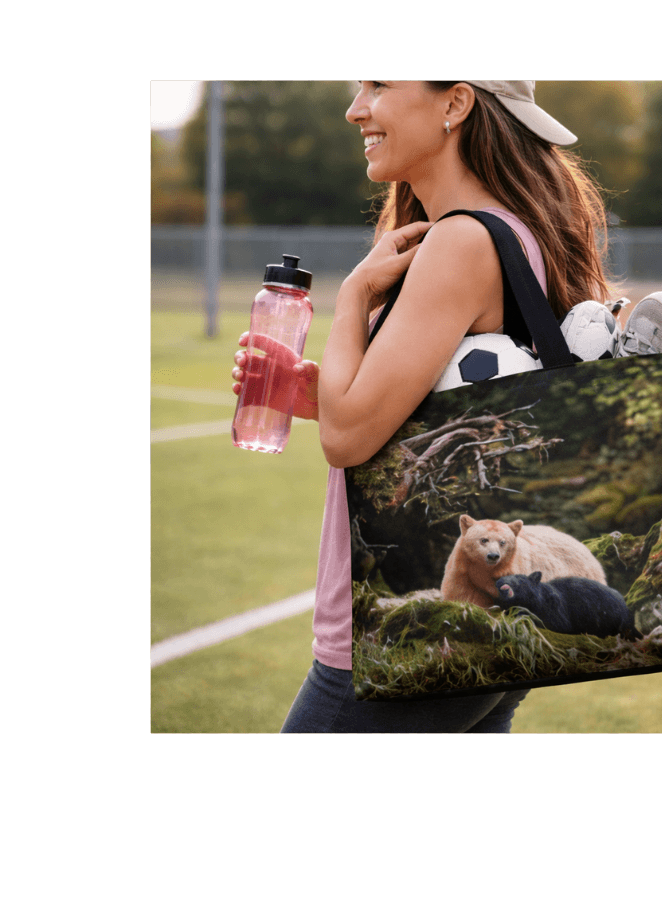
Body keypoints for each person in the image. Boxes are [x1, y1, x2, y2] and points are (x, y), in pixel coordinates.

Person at [232, 81, 616, 732]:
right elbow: (424, 410)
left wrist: (354, 295)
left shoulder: (460, 242)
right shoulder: (508, 230)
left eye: (379, 84)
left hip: (402, 658)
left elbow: (347, 441)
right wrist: (319, 395)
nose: (355, 108)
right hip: (487, 648)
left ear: (455, 104)